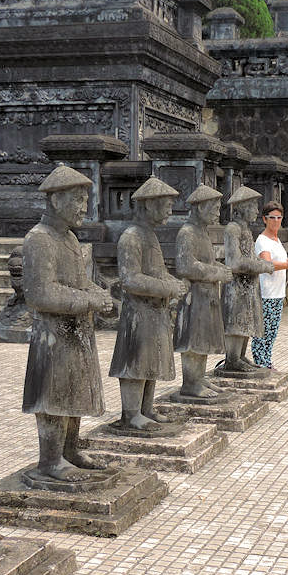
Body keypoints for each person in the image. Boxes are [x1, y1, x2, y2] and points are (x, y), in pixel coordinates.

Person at [21, 165, 115, 484]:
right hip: (53, 335)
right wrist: (88, 300)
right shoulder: (40, 239)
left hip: (75, 332)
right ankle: (49, 460)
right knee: (54, 396)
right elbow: (40, 292)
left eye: (84, 201)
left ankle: (69, 450)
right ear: (55, 200)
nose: (83, 208)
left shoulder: (70, 239)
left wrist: (98, 293)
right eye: (76, 200)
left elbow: (78, 282)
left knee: (74, 392)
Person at [108, 176, 188, 432]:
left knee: (151, 359)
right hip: (138, 313)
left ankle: (146, 409)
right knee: (136, 360)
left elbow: (158, 271)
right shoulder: (131, 237)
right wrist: (168, 287)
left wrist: (173, 282)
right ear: (148, 205)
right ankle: (131, 414)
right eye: (164, 204)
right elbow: (130, 279)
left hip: (155, 310)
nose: (169, 210)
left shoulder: (149, 236)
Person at [174, 184, 232, 398]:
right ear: (199, 208)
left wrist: (219, 267)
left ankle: (198, 378)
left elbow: (207, 260)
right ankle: (190, 383)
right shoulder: (187, 233)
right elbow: (186, 265)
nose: (218, 212)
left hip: (207, 296)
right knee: (194, 341)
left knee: (204, 339)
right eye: (214, 208)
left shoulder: (202, 232)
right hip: (195, 296)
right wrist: (215, 273)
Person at [221, 186, 274, 372]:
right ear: (242, 208)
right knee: (236, 322)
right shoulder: (232, 229)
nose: (256, 211)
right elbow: (235, 262)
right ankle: (232, 359)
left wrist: (258, 265)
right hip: (237, 285)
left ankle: (240, 356)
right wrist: (262, 266)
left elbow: (248, 257)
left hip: (248, 284)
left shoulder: (245, 229)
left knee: (246, 321)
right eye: (252, 207)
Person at [251, 201, 288, 369]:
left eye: (279, 217)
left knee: (272, 332)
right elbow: (268, 264)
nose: (276, 221)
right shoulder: (262, 240)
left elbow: (279, 261)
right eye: (272, 217)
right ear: (265, 219)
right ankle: (260, 363)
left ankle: (267, 362)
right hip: (266, 293)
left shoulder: (276, 240)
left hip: (277, 293)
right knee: (263, 332)